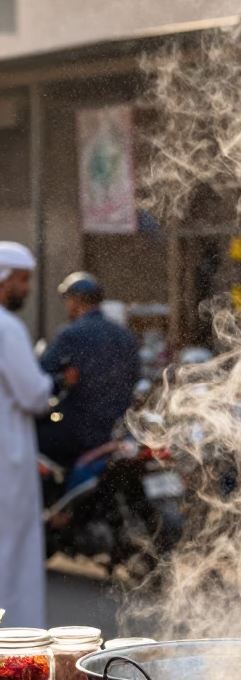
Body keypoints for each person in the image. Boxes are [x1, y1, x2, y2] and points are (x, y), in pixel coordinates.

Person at [0, 242, 54, 627]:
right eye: (21, 280)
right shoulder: (7, 328)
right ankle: (15, 641)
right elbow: (34, 394)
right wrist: (54, 382)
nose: (26, 289)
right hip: (8, 458)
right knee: (13, 552)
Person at [38, 272, 141, 468]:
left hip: (78, 428)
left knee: (38, 440)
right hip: (119, 425)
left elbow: (41, 375)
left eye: (68, 300)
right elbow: (136, 376)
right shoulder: (124, 334)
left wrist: (63, 381)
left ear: (75, 301)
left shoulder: (71, 334)